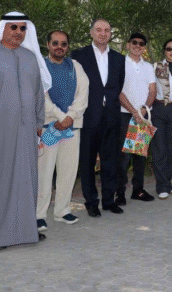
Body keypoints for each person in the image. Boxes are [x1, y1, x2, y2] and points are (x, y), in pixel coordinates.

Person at [0, 12, 47, 249]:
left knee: (26, 181)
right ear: (2, 28)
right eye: (13, 27)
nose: (18, 32)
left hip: (26, 131)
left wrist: (39, 123)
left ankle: (25, 231)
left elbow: (38, 93)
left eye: (23, 28)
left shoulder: (30, 57)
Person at [71, 19, 126, 217]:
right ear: (91, 33)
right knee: (87, 162)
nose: (103, 33)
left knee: (110, 161)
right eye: (99, 29)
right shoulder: (78, 55)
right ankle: (91, 202)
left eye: (107, 30)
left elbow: (118, 86)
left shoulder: (119, 58)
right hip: (88, 116)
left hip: (111, 116)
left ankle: (109, 201)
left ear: (110, 34)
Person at [37, 30, 89, 232]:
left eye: (64, 44)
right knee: (44, 173)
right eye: (55, 43)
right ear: (48, 44)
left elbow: (83, 93)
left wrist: (70, 117)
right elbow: (41, 97)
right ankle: (39, 215)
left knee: (68, 171)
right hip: (49, 127)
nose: (60, 47)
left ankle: (62, 210)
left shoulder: (76, 66)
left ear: (68, 46)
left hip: (71, 127)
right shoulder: (40, 66)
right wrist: (61, 117)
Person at [117, 32, 157, 205]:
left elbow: (153, 90)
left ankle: (138, 190)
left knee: (141, 154)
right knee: (123, 156)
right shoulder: (120, 63)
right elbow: (118, 91)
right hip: (125, 115)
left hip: (144, 116)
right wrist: (134, 111)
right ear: (128, 44)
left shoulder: (148, 67)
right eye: (134, 42)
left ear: (144, 47)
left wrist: (143, 109)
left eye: (141, 43)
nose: (138, 46)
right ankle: (119, 192)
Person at [150, 38, 172, 199]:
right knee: (159, 149)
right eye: (169, 49)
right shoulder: (154, 67)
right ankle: (162, 186)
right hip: (158, 109)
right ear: (164, 51)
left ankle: (167, 182)